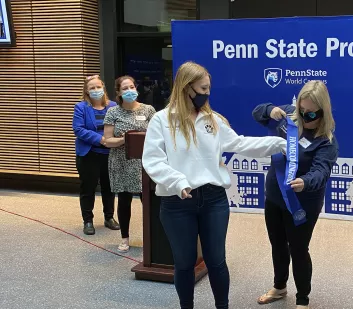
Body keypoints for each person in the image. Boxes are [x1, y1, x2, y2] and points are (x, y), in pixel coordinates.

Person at [142, 61, 287, 309]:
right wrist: (178, 181)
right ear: (186, 88)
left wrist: (280, 144)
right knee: (185, 263)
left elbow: (240, 144)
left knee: (217, 261)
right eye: (203, 88)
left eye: (209, 88)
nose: (207, 94)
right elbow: (153, 161)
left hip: (214, 200)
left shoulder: (213, 120)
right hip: (178, 202)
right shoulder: (161, 120)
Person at [252, 80, 339, 309]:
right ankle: (279, 287)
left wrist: (305, 182)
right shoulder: (289, 116)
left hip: (302, 203)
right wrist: (269, 109)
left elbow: (321, 171)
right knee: (277, 244)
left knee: (299, 249)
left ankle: (302, 299)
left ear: (323, 112)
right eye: (302, 111)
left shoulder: (326, 141)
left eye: (311, 114)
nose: (304, 117)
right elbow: (257, 113)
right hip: (274, 196)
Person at [103, 75, 155, 253]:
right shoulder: (113, 112)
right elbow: (107, 140)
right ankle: (124, 238)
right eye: (125, 88)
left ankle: (152, 237)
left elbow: (158, 135)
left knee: (148, 201)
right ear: (118, 92)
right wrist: (126, 139)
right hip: (121, 161)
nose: (130, 91)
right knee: (124, 201)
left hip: (144, 163)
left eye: (132, 87)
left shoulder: (148, 110)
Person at [72, 75, 120, 235]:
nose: (96, 90)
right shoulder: (81, 107)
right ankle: (88, 221)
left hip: (109, 154)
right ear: (86, 91)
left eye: (98, 87)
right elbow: (78, 129)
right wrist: (101, 139)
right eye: (92, 88)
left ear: (103, 88)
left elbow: (118, 126)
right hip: (89, 154)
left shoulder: (113, 106)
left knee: (109, 188)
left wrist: (113, 140)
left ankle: (109, 217)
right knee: (88, 188)